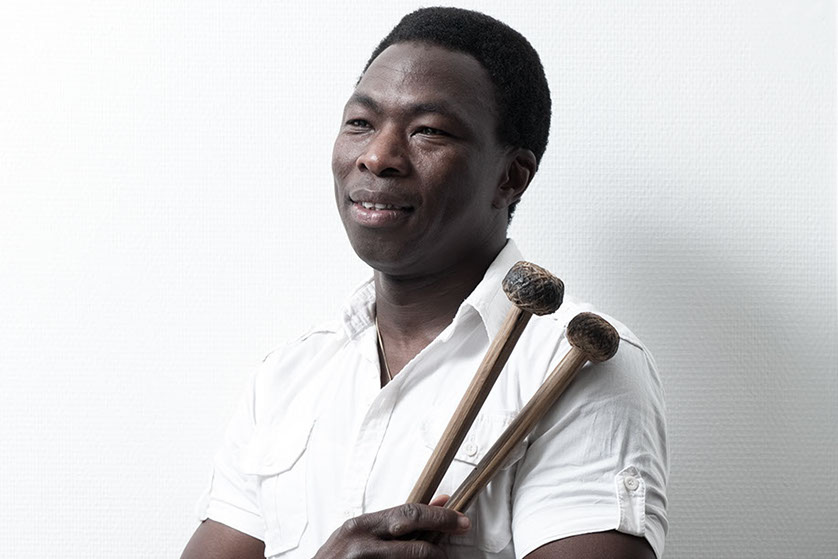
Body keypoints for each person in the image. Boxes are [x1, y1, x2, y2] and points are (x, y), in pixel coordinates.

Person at [181, 7, 667, 559]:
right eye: (360, 123)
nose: (377, 157)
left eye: (428, 131)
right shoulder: (289, 375)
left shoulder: (573, 361)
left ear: (510, 177)